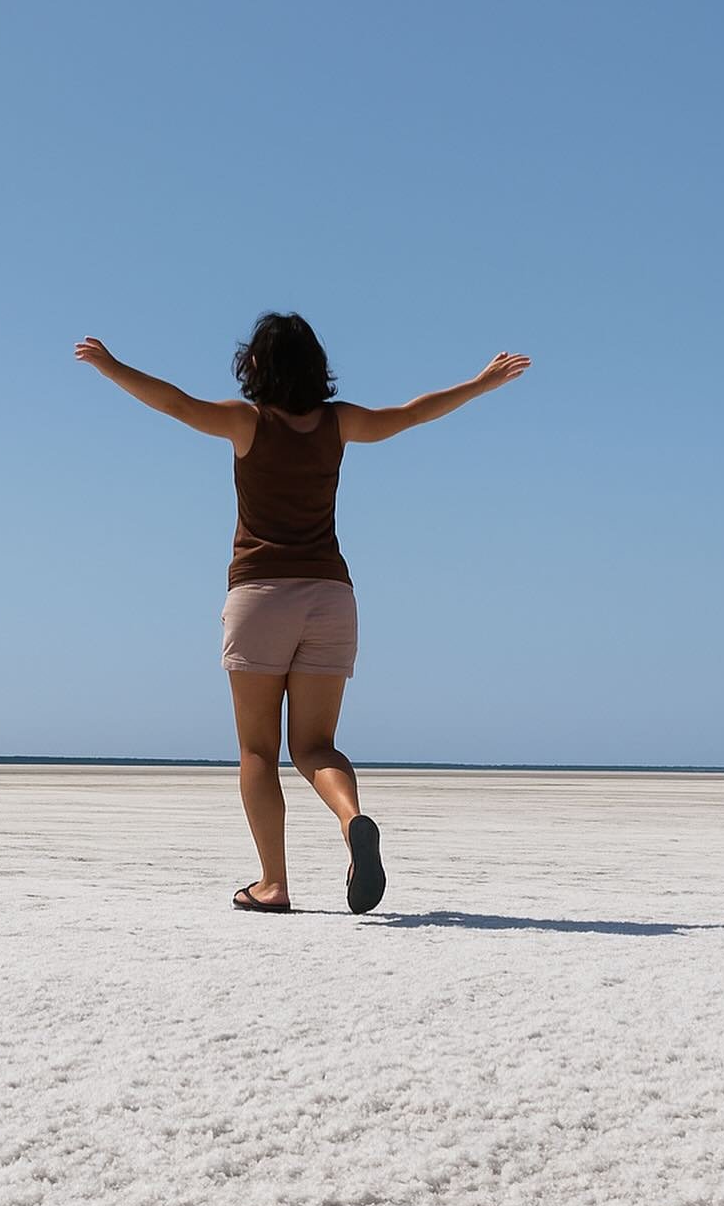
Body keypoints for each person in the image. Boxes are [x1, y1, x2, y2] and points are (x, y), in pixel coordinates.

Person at [74, 313, 531, 916]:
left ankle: (274, 883)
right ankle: (353, 820)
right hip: (330, 598)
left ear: (256, 366)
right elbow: (413, 413)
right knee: (315, 746)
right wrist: (479, 383)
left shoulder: (247, 422)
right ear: (316, 365)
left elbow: (175, 404)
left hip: (261, 595)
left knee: (259, 752)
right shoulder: (337, 424)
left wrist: (111, 367)